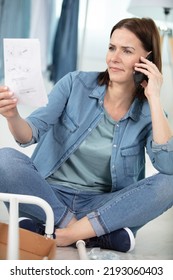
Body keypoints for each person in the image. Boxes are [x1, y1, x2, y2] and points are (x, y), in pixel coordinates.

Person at [0, 17, 173, 253]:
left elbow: (167, 165)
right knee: (5, 159)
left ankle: (54, 230)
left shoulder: (149, 112)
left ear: (147, 60)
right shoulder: (75, 83)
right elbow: (29, 134)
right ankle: (85, 233)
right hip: (50, 195)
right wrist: (12, 116)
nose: (114, 57)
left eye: (127, 51)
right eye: (112, 47)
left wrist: (154, 97)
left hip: (101, 205)